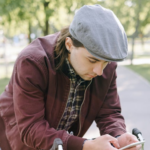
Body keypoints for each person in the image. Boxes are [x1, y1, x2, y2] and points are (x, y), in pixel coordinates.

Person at [0, 4, 141, 150]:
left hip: (62, 145)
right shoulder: (32, 62)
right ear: (69, 44)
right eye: (92, 60)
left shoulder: (106, 67)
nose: (99, 71)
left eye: (105, 62)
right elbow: (31, 127)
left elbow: (109, 113)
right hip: (19, 143)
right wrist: (84, 145)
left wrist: (118, 136)